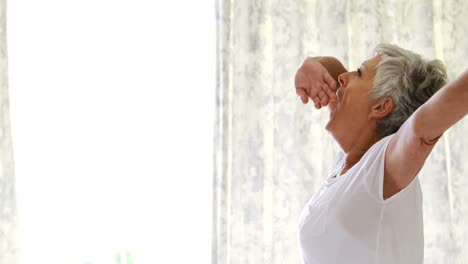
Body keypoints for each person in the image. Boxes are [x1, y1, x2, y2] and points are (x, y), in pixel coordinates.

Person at [294, 44, 468, 264]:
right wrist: (312, 65)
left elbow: (421, 127)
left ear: (381, 107)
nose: (342, 79)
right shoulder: (349, 164)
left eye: (358, 73)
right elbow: (330, 73)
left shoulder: (385, 165)